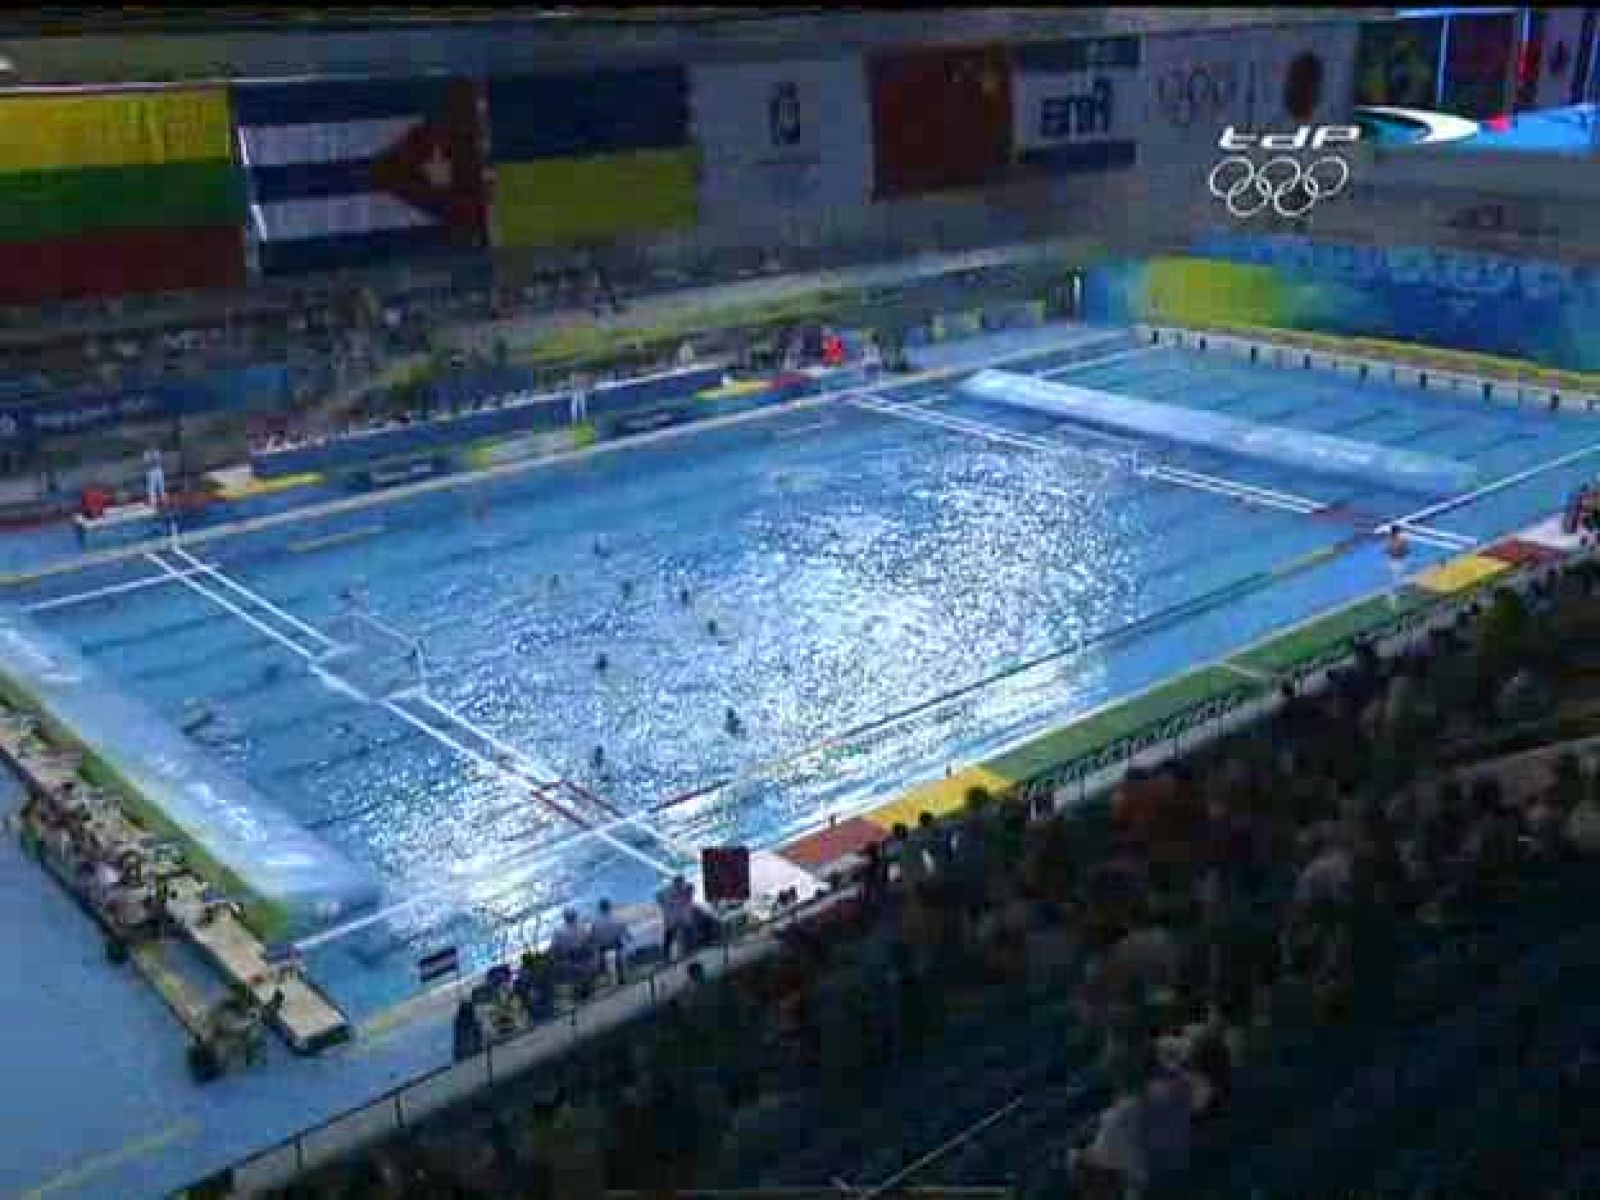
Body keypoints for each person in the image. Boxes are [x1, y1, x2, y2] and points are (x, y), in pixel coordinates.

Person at [657, 873, 697, 962]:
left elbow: (689, 896)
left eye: (682, 883)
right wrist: (667, 906)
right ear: (675, 883)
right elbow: (660, 897)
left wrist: (687, 894)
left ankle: (689, 950)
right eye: (679, 883)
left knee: (689, 933)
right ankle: (666, 956)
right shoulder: (669, 891)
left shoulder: (686, 891)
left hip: (683, 917)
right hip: (673, 918)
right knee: (670, 936)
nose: (681, 885)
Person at [590, 898, 630, 984]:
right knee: (620, 954)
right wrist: (628, 937)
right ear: (609, 907)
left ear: (600, 909)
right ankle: (622, 977)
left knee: (600, 956)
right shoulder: (617, 917)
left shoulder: (596, 921)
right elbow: (624, 929)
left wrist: (594, 945)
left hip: (603, 945)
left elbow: (593, 936)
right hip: (615, 943)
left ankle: (607, 977)